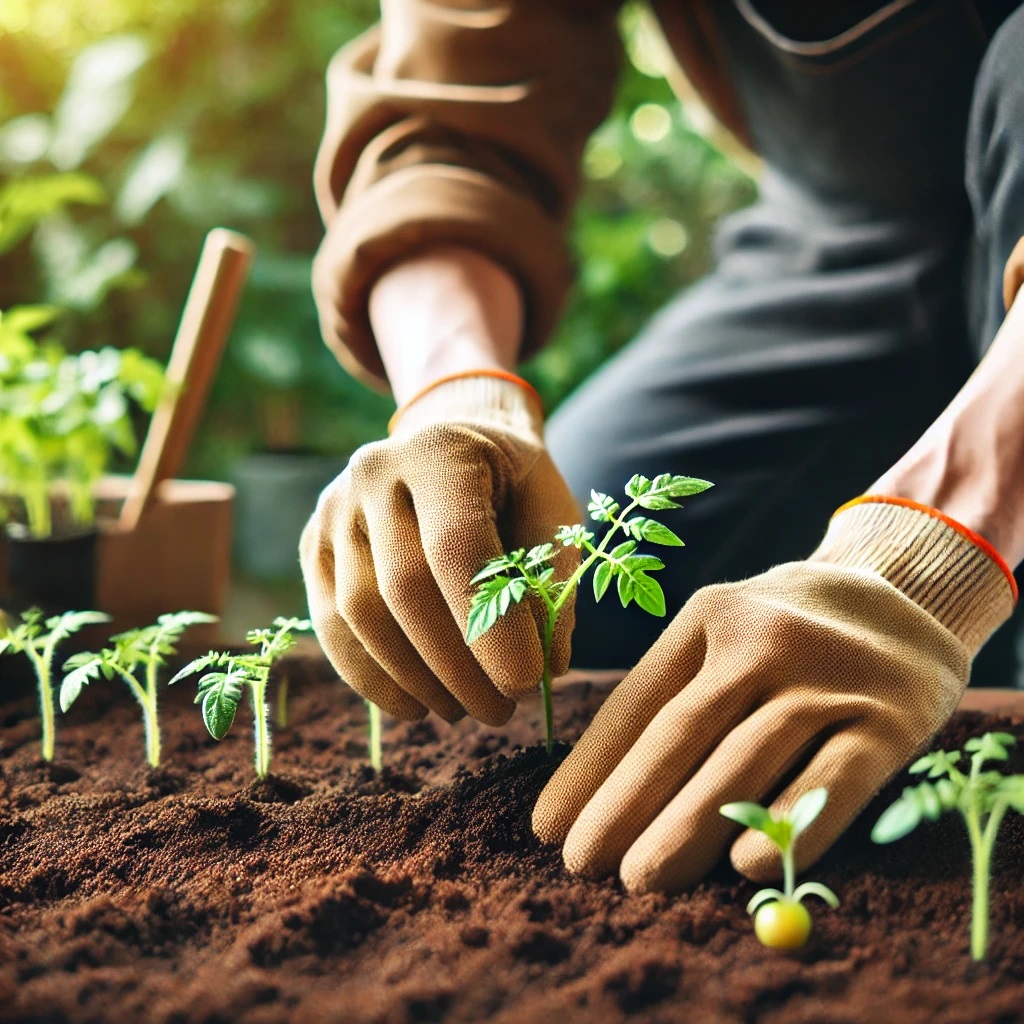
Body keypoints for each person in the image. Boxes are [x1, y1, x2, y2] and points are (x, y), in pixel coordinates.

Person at [300, 0, 1024, 892]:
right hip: (848, 240)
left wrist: (926, 554)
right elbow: (446, 113)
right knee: (557, 618)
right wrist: (456, 397)